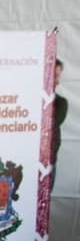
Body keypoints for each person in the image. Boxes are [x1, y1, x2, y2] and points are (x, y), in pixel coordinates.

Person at [53, 58, 68, 192]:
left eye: (58, 76)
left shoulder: (61, 103)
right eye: (55, 76)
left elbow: (51, 124)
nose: (57, 81)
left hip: (48, 163)